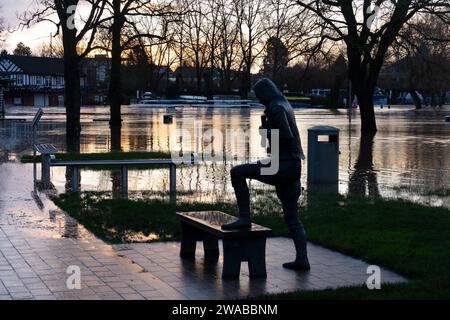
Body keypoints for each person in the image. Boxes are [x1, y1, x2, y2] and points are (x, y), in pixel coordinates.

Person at [221, 78, 310, 271]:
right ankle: (302, 259)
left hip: (282, 165)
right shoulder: (284, 104)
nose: (260, 101)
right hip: (293, 165)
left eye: (260, 97)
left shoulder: (276, 108)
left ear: (265, 93)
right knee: (292, 218)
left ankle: (244, 217)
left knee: (237, 173)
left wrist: (266, 130)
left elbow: (286, 135)